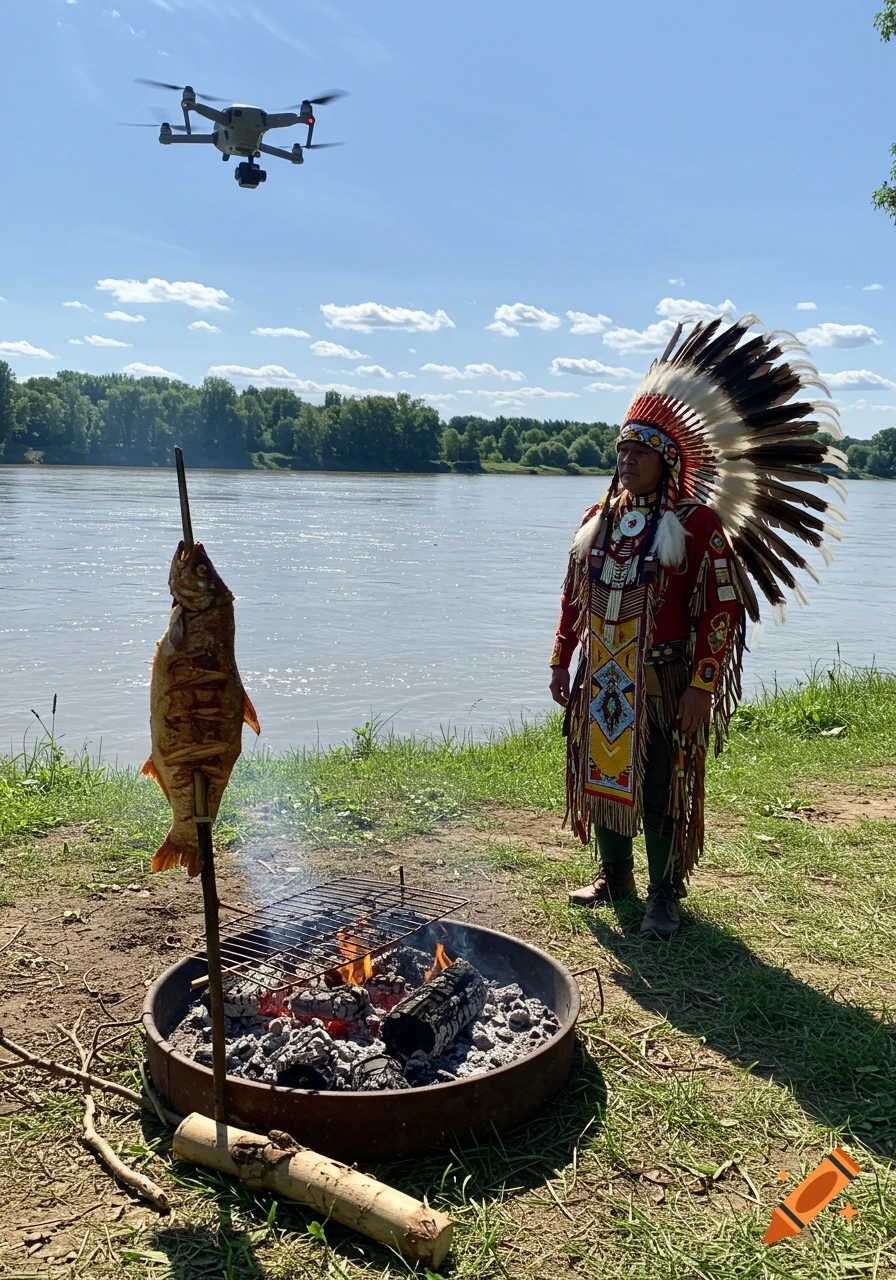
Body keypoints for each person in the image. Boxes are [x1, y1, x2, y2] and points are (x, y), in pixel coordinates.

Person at [549, 312, 846, 939]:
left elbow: (722, 610)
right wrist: (561, 659)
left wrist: (701, 685)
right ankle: (615, 877)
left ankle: (664, 895)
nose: (624, 459)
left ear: (663, 458)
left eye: (637, 450)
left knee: (659, 787)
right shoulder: (597, 517)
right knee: (603, 776)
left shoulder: (698, 525)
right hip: (603, 678)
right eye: (621, 449)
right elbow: (575, 594)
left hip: (662, 683)